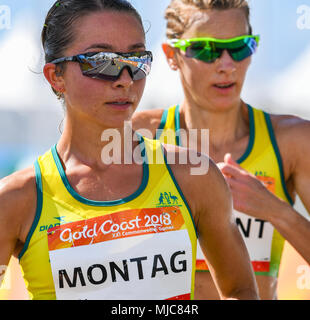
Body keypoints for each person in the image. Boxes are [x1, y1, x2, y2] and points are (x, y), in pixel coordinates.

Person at [0, 0, 258, 300]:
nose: (124, 79)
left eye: (136, 60)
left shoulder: (193, 174)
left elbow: (240, 291)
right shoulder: (17, 199)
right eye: (101, 61)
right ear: (56, 76)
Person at [133, 0, 310, 300]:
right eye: (208, 49)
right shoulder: (139, 137)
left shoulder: (291, 140)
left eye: (240, 47)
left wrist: (277, 211)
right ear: (172, 55)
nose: (227, 64)